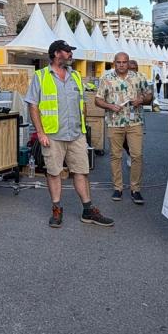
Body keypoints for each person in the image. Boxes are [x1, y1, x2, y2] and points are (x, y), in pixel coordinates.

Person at [25, 40, 114, 228]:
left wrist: (84, 130)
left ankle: (88, 210)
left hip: (76, 135)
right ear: (57, 54)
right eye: (67, 51)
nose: (70, 54)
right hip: (52, 135)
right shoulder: (41, 76)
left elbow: (82, 105)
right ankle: (56, 209)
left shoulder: (75, 76)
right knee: (54, 173)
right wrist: (40, 133)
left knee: (82, 171)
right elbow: (33, 105)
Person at [95, 52, 152, 204]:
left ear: (128, 63)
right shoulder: (106, 79)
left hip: (135, 122)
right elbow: (97, 100)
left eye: (124, 62)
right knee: (115, 156)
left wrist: (141, 99)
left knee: (137, 155)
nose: (121, 65)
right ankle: (118, 188)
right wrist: (110, 106)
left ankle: (135, 189)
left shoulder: (139, 77)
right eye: (118, 62)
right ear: (114, 63)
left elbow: (149, 96)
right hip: (114, 122)